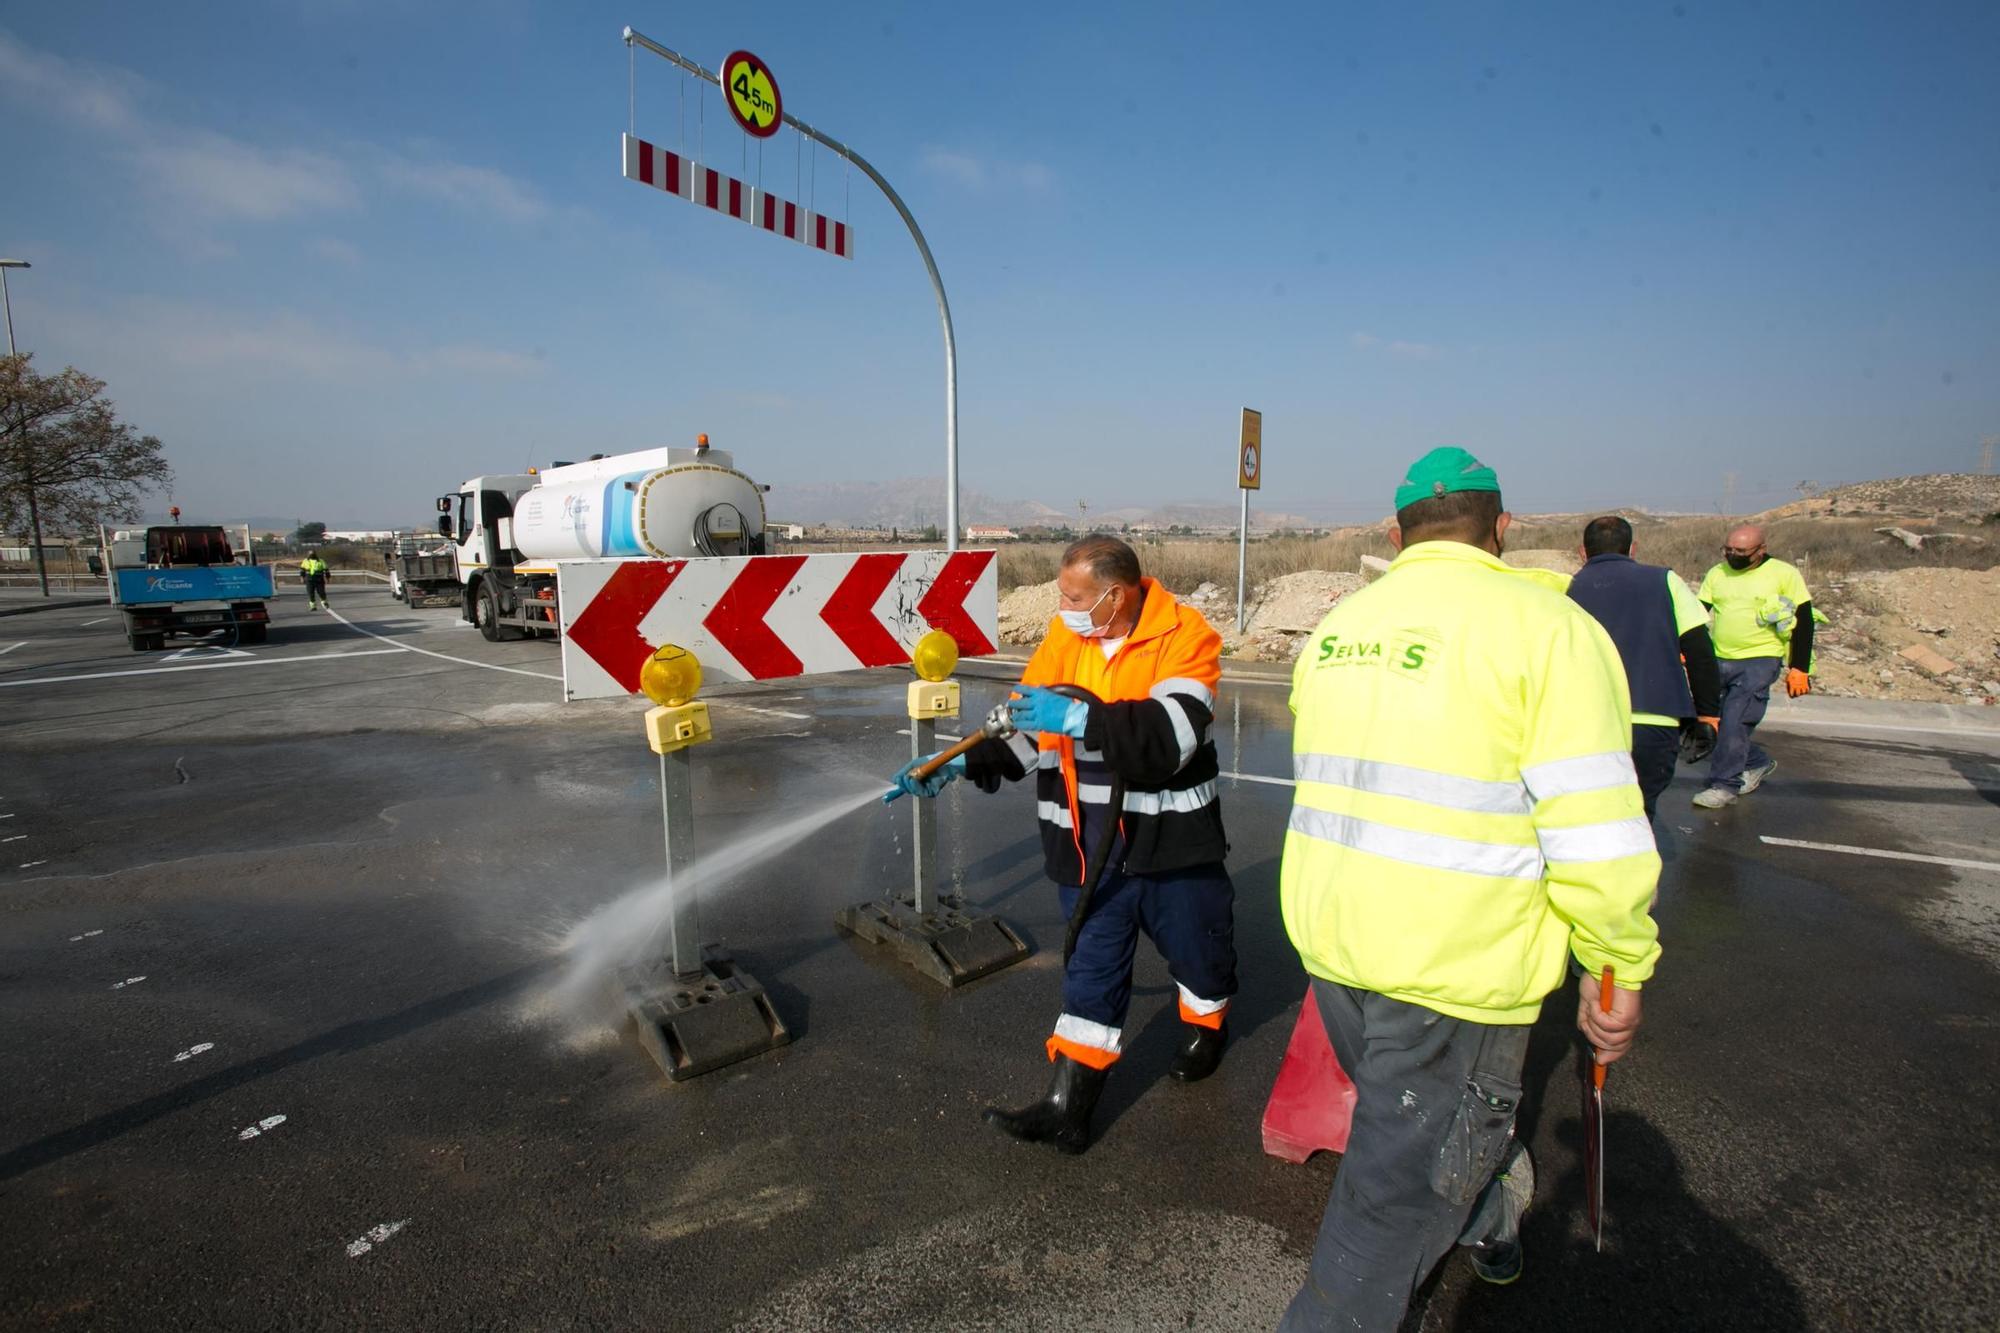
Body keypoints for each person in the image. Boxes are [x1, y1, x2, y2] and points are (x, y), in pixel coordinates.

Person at [1278, 448, 1661, 1330]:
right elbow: (1595, 832)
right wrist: (1620, 964)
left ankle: (1484, 1216)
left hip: (1338, 947)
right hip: (1454, 968)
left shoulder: (1343, 627)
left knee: (1414, 1140)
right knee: (1380, 1217)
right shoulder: (1547, 630)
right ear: (1504, 527)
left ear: (1394, 532)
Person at [886, 535, 1237, 1155]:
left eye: (1074, 596)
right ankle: (1067, 1109)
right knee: (1090, 972)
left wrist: (1082, 719)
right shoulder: (1064, 637)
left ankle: (1206, 1023)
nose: (1063, 606)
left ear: (1114, 594)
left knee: (1198, 953)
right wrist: (964, 765)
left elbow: (1170, 738)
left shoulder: (1187, 637)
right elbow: (1027, 730)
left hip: (1169, 852)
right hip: (1087, 852)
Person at [1567, 515, 1723, 818]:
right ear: (1633, 548)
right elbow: (1700, 651)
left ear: (1582, 552)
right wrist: (1708, 714)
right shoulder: (1665, 581)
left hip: (1586, 722)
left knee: (1589, 814)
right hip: (1654, 720)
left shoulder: (1567, 587)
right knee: (1639, 812)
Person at [1691, 524, 1814, 809]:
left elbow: (1804, 620)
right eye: (1729, 550)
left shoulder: (1784, 574)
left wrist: (1800, 667)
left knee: (1735, 721)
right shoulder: (1717, 573)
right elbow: (1698, 614)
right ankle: (1757, 761)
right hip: (1718, 658)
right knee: (1714, 723)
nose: (1733, 556)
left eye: (1741, 551)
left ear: (1761, 550)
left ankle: (1724, 785)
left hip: (1760, 659)